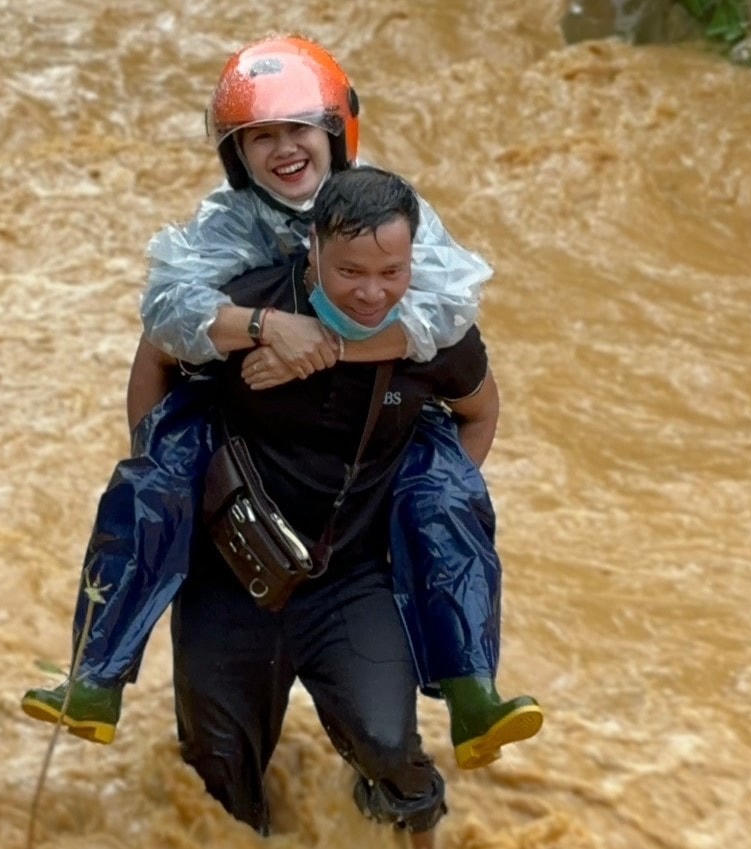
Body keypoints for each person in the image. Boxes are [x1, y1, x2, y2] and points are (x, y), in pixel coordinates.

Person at [22, 36, 541, 773]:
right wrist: (261, 337)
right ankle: (97, 674)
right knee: (215, 763)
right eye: (260, 136)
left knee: (392, 744)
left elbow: (454, 328)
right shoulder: (228, 239)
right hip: (237, 541)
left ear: (334, 133)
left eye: (298, 129)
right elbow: (162, 327)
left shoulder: (395, 222)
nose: (283, 149)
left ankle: (469, 694)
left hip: (354, 553)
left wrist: (336, 351)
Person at [171, 166, 487, 844]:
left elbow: (480, 410)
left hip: (352, 578)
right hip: (230, 575)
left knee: (388, 744)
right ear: (311, 246)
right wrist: (169, 486)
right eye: (350, 272)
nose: (373, 292)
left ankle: (415, 830)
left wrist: (425, 506)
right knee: (216, 781)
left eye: (391, 271)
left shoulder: (434, 332)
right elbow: (159, 356)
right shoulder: (249, 304)